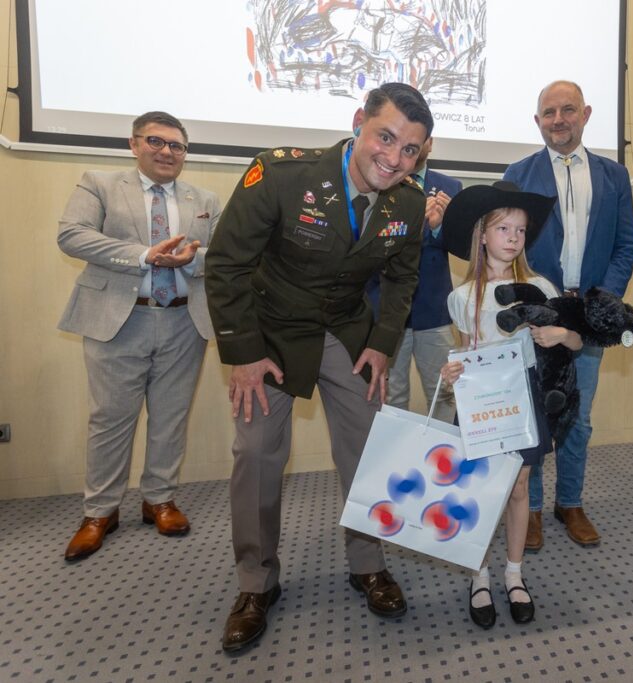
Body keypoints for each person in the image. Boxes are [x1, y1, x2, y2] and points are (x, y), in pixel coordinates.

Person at [205, 83, 432, 653]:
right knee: (257, 452)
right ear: (359, 122)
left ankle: (368, 564)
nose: (395, 158)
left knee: (370, 444)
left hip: (346, 332)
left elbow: (403, 279)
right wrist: (243, 353)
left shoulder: (407, 201)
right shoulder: (283, 175)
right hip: (272, 332)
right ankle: (257, 583)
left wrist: (382, 343)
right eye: (386, 137)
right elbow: (228, 264)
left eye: (411, 150)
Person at [57, 111, 221, 562]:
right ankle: (100, 512)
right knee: (110, 419)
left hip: (184, 320)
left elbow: (224, 255)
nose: (167, 152)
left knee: (170, 416)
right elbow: (72, 236)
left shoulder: (204, 197)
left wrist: (190, 259)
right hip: (119, 320)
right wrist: (145, 254)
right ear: (134, 144)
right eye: (156, 141)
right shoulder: (101, 183)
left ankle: (159, 501)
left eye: (177, 146)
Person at [503, 80, 633, 551]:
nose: (558, 119)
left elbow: (626, 245)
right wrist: (533, 306)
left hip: (588, 318)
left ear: (586, 114)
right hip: (537, 320)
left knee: (578, 421)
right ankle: (533, 509)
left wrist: (603, 306)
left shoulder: (614, 176)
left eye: (567, 110)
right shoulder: (517, 174)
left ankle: (571, 503)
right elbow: (507, 249)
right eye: (548, 113)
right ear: (537, 120)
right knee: (538, 418)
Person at [438, 181, 579, 628]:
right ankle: (478, 575)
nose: (514, 237)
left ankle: (514, 573)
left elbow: (575, 339)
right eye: (503, 228)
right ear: (482, 234)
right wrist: (449, 374)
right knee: (478, 490)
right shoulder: (462, 298)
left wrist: (561, 335)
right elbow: (460, 352)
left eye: (520, 229)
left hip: (523, 399)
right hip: (479, 404)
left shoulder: (538, 286)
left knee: (519, 488)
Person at [366, 137, 461, 422]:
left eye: (420, 141)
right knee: (390, 396)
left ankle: (444, 462)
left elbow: (460, 245)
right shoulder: (379, 180)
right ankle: (395, 460)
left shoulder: (451, 187)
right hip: (386, 310)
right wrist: (418, 226)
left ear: (430, 143)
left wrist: (439, 226)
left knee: (446, 392)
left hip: (434, 309)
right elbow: (372, 244)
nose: (414, 147)